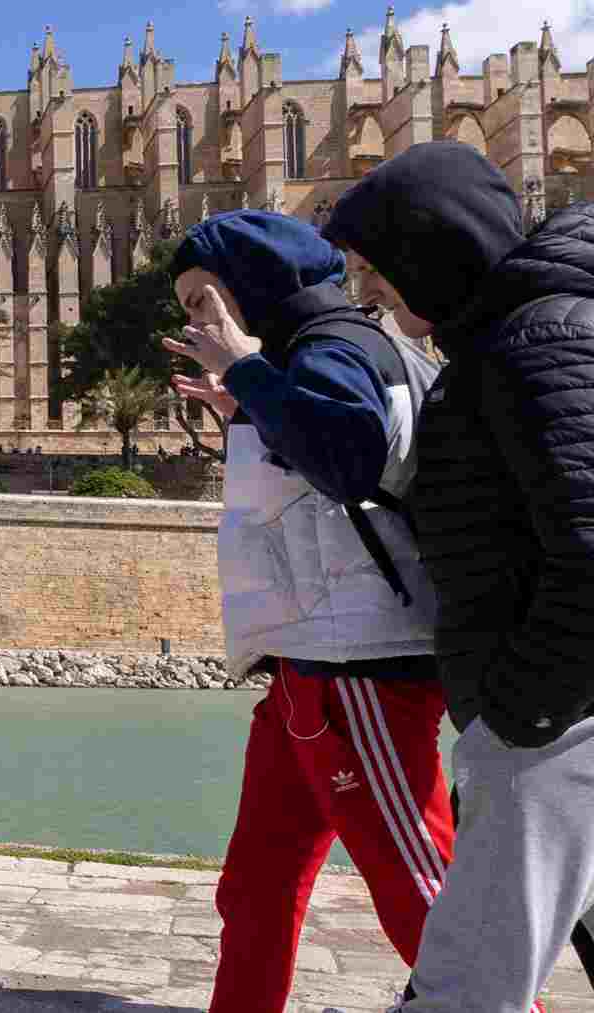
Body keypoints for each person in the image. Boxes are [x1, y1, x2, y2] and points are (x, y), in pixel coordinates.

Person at [323, 140, 594, 1013]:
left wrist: (522, 710)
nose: (365, 292)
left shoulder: (535, 340)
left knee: (462, 988)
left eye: (374, 268)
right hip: (551, 714)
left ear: (429, 248)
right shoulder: (503, 342)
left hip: (554, 727)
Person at [162, 210, 453, 1012]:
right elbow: (323, 460)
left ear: (249, 284)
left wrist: (251, 379)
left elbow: (347, 452)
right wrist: (248, 406)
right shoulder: (326, 351)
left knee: (418, 889)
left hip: (359, 667)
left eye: (201, 301)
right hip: (308, 668)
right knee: (256, 882)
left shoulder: (334, 345)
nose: (196, 322)